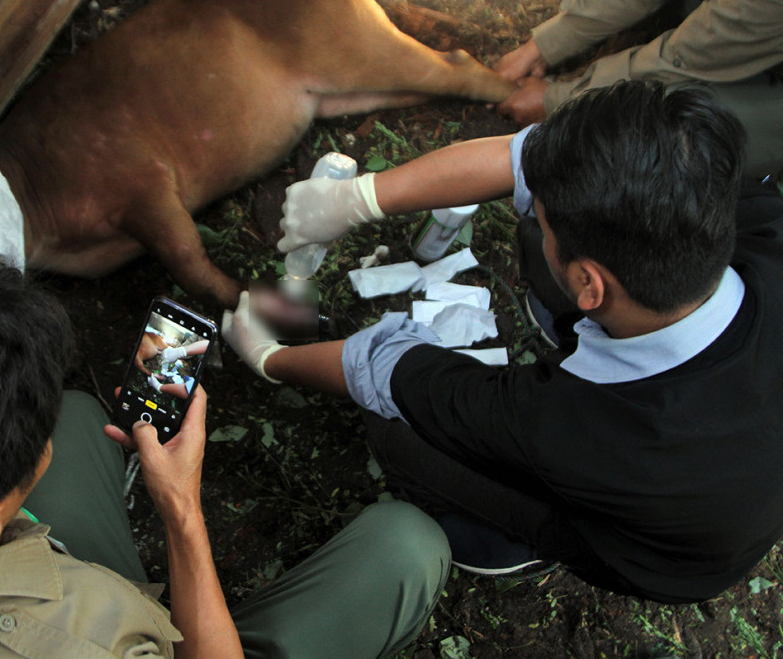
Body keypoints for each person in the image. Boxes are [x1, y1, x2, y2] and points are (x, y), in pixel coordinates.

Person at [223, 81, 783, 603]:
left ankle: (506, 542)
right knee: (546, 228)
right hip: (724, 451)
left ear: (590, 285)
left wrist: (272, 358)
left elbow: (389, 369)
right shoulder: (725, 195)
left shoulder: (577, 425)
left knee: (398, 431)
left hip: (657, 553)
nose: (531, 205)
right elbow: (524, 160)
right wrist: (357, 199)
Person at [0, 251, 449, 658]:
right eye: (29, 447)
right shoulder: (88, 643)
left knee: (75, 417)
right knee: (406, 546)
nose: (39, 434)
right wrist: (180, 510)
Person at [493, 0, 783, 180]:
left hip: (766, 74)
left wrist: (559, 100)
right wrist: (545, 45)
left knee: (673, 134)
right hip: (737, 12)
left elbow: (685, 58)